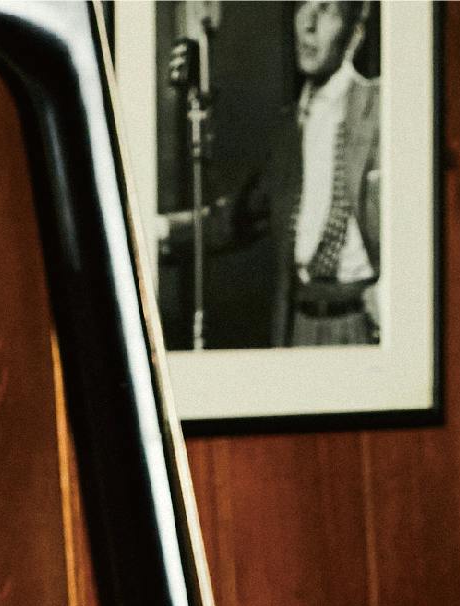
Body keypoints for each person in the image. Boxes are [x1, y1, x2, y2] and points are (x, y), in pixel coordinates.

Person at [161, 0, 381, 352]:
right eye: (303, 6)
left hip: (361, 326)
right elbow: (235, 219)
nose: (308, 24)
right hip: (300, 326)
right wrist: (159, 230)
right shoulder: (290, 128)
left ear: (354, 34)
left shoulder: (380, 108)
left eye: (326, 9)